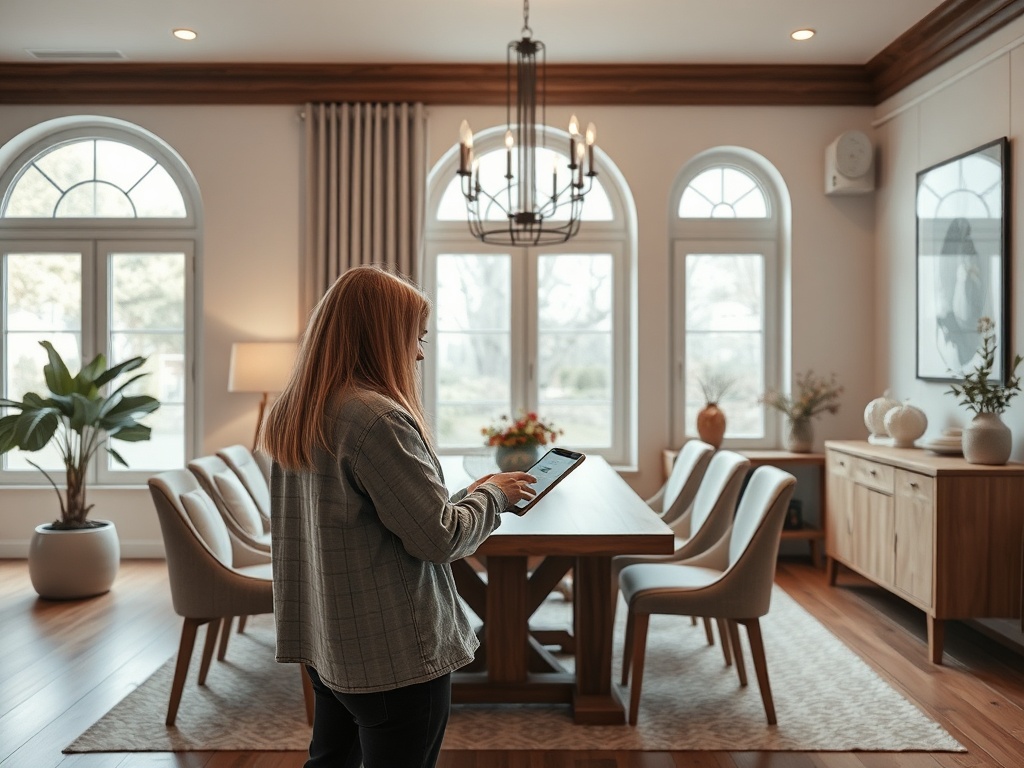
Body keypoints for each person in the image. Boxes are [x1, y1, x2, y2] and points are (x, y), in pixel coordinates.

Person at [259, 264, 537, 768]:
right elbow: (440, 539)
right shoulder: (376, 417)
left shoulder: (292, 410)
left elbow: (366, 514)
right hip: (394, 653)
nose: (419, 352)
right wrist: (494, 497)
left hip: (330, 641)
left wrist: (467, 494)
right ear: (384, 335)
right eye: (416, 336)